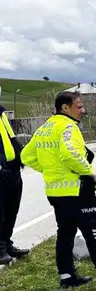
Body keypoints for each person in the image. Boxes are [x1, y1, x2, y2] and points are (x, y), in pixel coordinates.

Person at [20, 91, 96, 289]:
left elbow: (26, 156)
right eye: (79, 106)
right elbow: (69, 152)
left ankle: (67, 276)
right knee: (94, 232)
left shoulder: (44, 128)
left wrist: (49, 169)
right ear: (65, 107)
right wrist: (88, 171)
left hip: (56, 193)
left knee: (65, 233)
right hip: (78, 190)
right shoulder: (68, 126)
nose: (83, 110)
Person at [0, 103, 29, 265]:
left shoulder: (2, 114)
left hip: (12, 169)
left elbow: (9, 138)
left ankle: (5, 243)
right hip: (1, 170)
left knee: (11, 210)